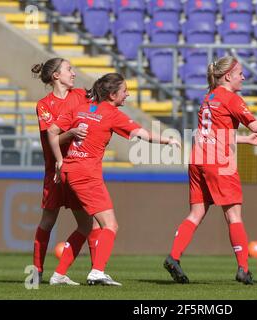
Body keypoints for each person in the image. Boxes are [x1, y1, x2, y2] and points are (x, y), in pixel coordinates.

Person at [163, 55, 257, 285]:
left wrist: (246, 141)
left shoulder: (208, 98)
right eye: (240, 73)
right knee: (234, 216)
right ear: (228, 76)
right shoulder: (232, 98)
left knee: (195, 213)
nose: (244, 77)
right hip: (219, 162)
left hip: (197, 158)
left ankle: (174, 257)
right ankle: (243, 269)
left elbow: (215, 134)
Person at [47, 73, 181, 286]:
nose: (127, 94)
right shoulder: (112, 114)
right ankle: (97, 271)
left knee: (86, 227)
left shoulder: (81, 108)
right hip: (86, 175)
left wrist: (60, 160)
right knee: (111, 225)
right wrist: (168, 140)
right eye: (124, 91)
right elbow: (142, 134)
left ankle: (59, 274)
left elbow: (52, 132)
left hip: (69, 172)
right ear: (112, 94)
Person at [32, 58, 101, 285]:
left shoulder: (81, 94)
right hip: (55, 171)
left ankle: (96, 272)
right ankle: (37, 270)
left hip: (77, 170)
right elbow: (53, 137)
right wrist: (71, 133)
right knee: (48, 220)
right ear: (56, 76)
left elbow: (99, 100)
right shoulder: (44, 105)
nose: (73, 72)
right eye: (69, 69)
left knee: (89, 222)